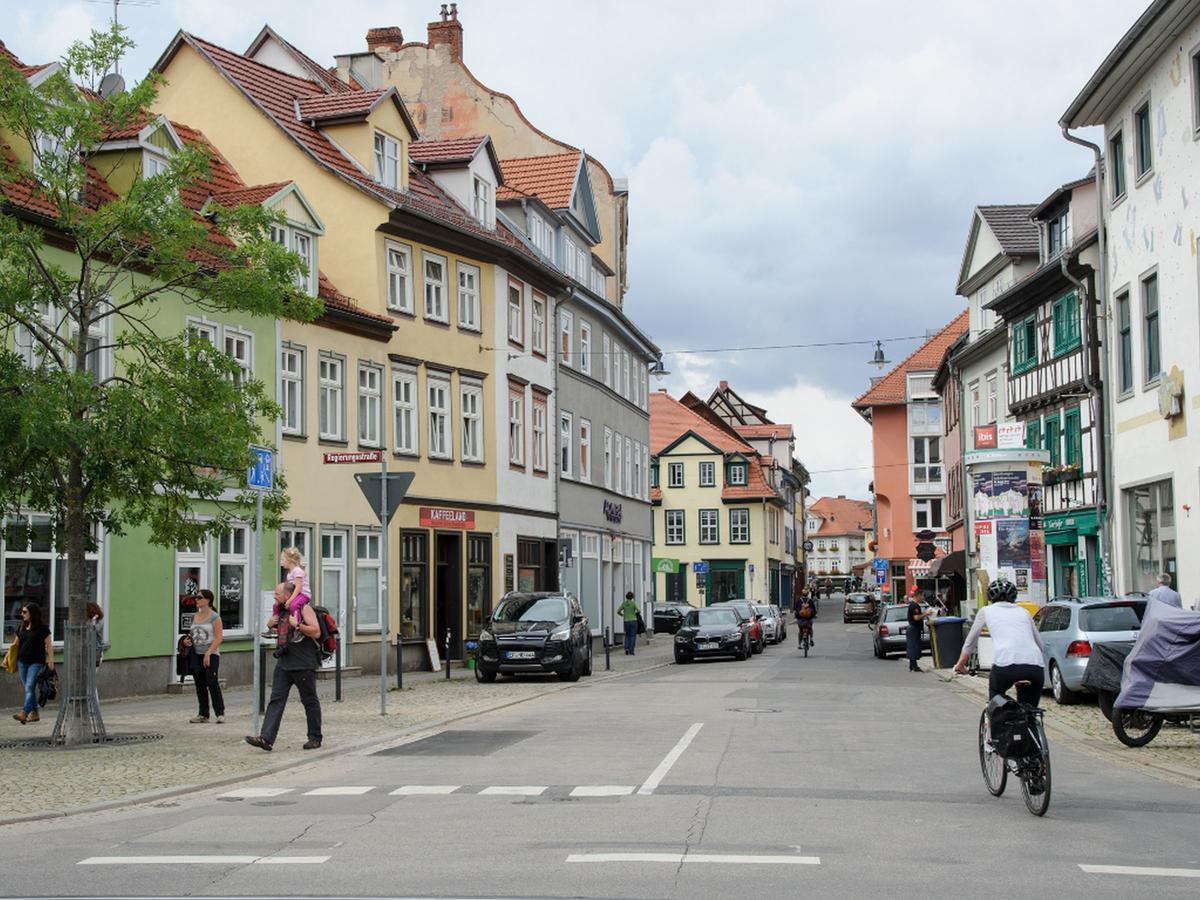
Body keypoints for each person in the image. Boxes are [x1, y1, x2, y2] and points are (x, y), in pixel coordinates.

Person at [246, 583, 323, 751]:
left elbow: (316, 632)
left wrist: (298, 625)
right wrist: (270, 624)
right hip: (284, 662)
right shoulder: (280, 611)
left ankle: (315, 737)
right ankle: (266, 738)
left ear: (288, 595)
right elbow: (281, 633)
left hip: (303, 663)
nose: (275, 596)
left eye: (277, 593)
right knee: (276, 700)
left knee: (309, 701)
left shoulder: (303, 609)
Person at [954, 579, 1045, 706]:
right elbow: (1040, 644)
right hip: (1034, 665)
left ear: (990, 597)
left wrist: (960, 665)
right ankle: (1032, 723)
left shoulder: (986, 611)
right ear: (1014, 597)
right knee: (1029, 708)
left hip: (1005, 665)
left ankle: (997, 721)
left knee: (996, 701)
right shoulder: (1024, 612)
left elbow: (970, 642)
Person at [186, 589, 225, 724]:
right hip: (196, 654)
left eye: (199, 597)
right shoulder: (194, 616)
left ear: (207, 600)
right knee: (199, 684)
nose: (196, 600)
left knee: (211, 682)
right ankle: (203, 714)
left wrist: (209, 653)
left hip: (211, 654)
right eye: (196, 598)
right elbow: (193, 634)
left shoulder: (215, 617)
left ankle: (220, 713)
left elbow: (219, 637)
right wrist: (187, 641)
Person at [11, 602, 53, 724]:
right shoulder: (22, 627)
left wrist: (51, 660)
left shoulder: (43, 629)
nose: (22, 614)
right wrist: (7, 658)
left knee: (29, 687)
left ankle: (24, 712)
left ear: (32, 613)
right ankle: (34, 713)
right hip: (22, 662)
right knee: (28, 688)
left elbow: (49, 646)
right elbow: (15, 644)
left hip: (36, 662)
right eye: (22, 612)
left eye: (24, 612)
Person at [279, 547, 312, 618]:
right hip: (297, 594)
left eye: (283, 560)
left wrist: (290, 600)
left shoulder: (297, 571)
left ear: (289, 560)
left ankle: (297, 623)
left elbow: (298, 587)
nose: (282, 562)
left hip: (303, 594)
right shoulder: (289, 574)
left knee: (293, 605)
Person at [906, 590, 932, 672]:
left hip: (913, 628)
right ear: (918, 595)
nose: (923, 598)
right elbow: (916, 617)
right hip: (914, 628)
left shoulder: (912, 605)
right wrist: (926, 614)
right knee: (914, 646)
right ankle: (914, 666)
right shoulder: (915, 606)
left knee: (913, 646)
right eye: (922, 596)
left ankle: (912, 665)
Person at [85, 601, 105, 668]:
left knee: (92, 671)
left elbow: (94, 631)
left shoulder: (100, 621)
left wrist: (93, 621)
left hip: (96, 649)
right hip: (87, 649)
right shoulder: (88, 620)